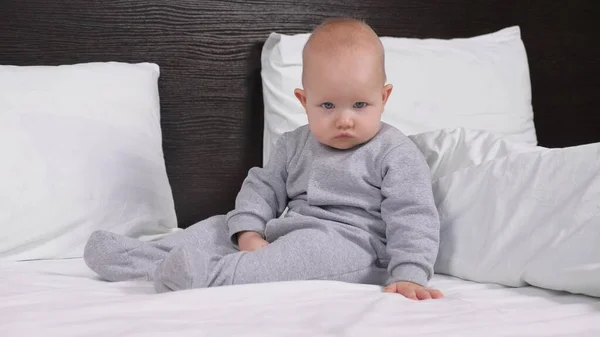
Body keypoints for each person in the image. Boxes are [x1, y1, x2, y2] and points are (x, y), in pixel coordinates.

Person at [83, 18, 444, 301]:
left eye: (360, 105)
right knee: (216, 227)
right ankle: (138, 258)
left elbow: (413, 215)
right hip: (285, 229)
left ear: (384, 96)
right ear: (304, 101)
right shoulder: (292, 144)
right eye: (328, 105)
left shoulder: (394, 151)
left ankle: (205, 276)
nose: (344, 119)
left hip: (352, 244)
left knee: (292, 260)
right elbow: (261, 189)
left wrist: (409, 272)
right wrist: (248, 230)